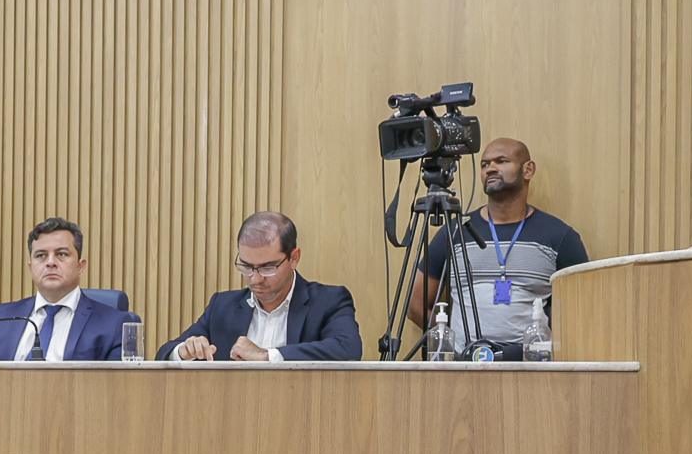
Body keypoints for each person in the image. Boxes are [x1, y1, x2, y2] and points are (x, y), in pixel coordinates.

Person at [406, 141, 588, 358]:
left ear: (528, 170)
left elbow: (583, 310)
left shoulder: (559, 236)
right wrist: (449, 343)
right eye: (485, 164)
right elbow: (415, 305)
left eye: (501, 161)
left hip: (530, 366)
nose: (490, 169)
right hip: (464, 364)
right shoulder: (455, 232)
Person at [161, 212, 361, 361]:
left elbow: (348, 348)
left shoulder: (328, 301)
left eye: (267, 267)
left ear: (294, 258)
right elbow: (164, 353)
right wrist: (183, 351)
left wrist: (267, 356)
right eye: (247, 267)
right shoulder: (222, 306)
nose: (255, 279)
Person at [0, 217, 138, 360]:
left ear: (81, 266)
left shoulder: (114, 324)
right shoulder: (0, 317)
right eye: (41, 256)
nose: (50, 263)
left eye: (61, 254)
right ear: (31, 267)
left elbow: (120, 386)